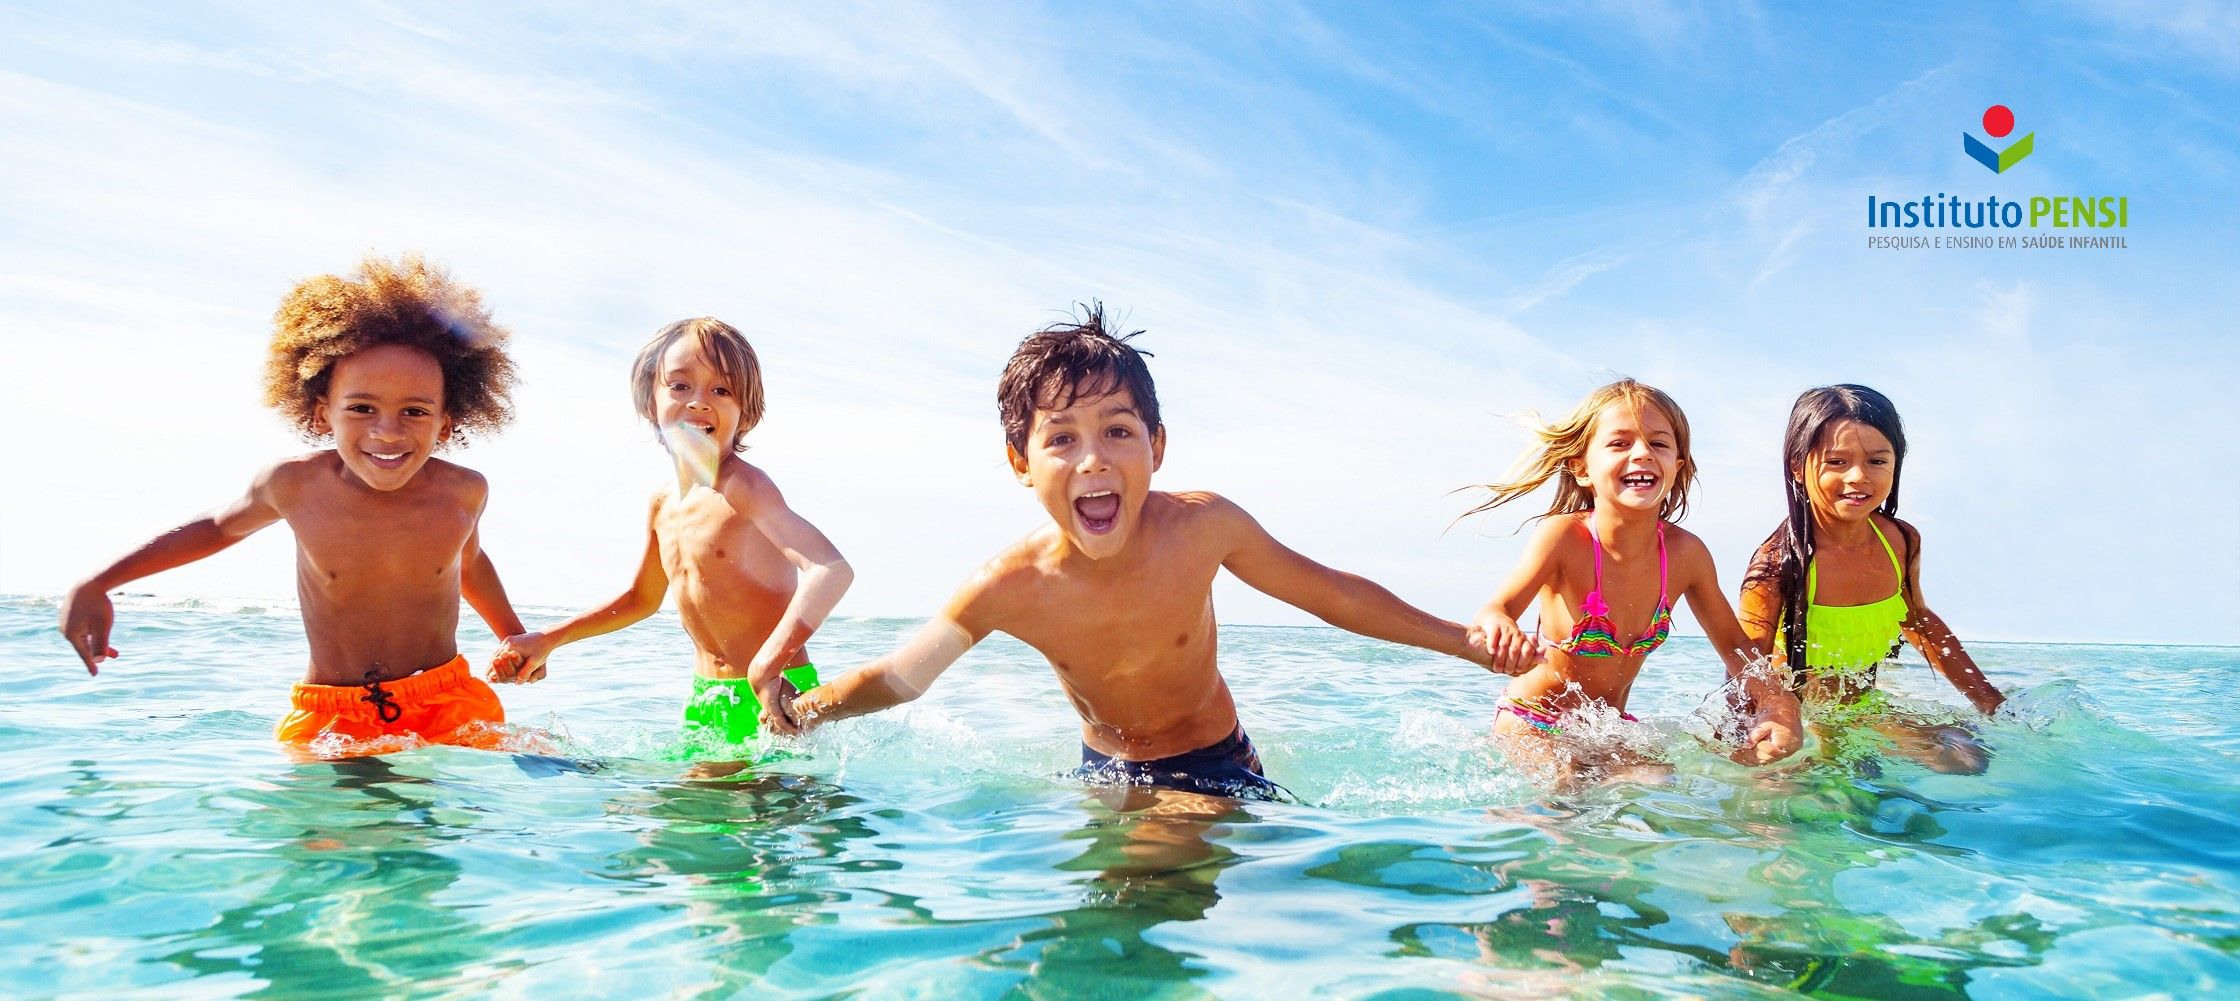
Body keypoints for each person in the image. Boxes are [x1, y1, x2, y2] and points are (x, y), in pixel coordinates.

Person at [788, 304, 1505, 800]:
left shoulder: (1202, 527)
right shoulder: (1007, 585)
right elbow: (904, 674)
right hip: (1107, 771)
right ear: (1020, 462)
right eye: (1062, 437)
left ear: (1157, 446)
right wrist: (807, 708)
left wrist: (1466, 641)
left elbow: (1332, 594)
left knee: (1174, 879)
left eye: (1119, 432)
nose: (1093, 459)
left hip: (1218, 763)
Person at [58, 254, 527, 756]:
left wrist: (513, 636)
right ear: (324, 413)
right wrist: (100, 581)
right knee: (327, 829)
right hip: (334, 710)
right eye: (362, 408)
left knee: (522, 788)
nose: (387, 431)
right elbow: (218, 528)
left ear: (446, 424)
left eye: (414, 411)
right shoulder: (295, 485)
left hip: (446, 697)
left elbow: (467, 560)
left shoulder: (463, 490)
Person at [491, 317, 852, 756]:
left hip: (773, 695)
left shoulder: (743, 488)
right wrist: (550, 639)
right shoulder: (663, 504)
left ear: (746, 412)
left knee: (743, 812)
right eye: (680, 386)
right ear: (650, 402)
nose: (699, 402)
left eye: (721, 390)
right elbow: (641, 599)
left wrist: (767, 665)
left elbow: (830, 569)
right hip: (705, 702)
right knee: (675, 819)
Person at [1465, 379, 1801, 778]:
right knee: (1566, 781)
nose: (1642, 453)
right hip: (1532, 720)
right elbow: (1498, 608)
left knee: (1660, 783)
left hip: (1607, 729)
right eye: (1620, 443)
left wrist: (1779, 706)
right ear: (1582, 468)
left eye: (1658, 444)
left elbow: (1736, 647)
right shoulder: (1563, 538)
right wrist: (1499, 623)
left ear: (1677, 467)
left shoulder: (1685, 554)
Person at [1737, 384, 2003, 774]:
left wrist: (1989, 700)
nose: (1859, 477)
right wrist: (1750, 735)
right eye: (1837, 462)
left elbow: (1919, 622)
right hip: (1794, 724)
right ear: (1798, 465)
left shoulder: (1900, 540)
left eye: (1877, 461)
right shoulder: (1778, 563)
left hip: (1860, 710)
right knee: (1793, 811)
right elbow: (1744, 664)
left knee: (1967, 759)